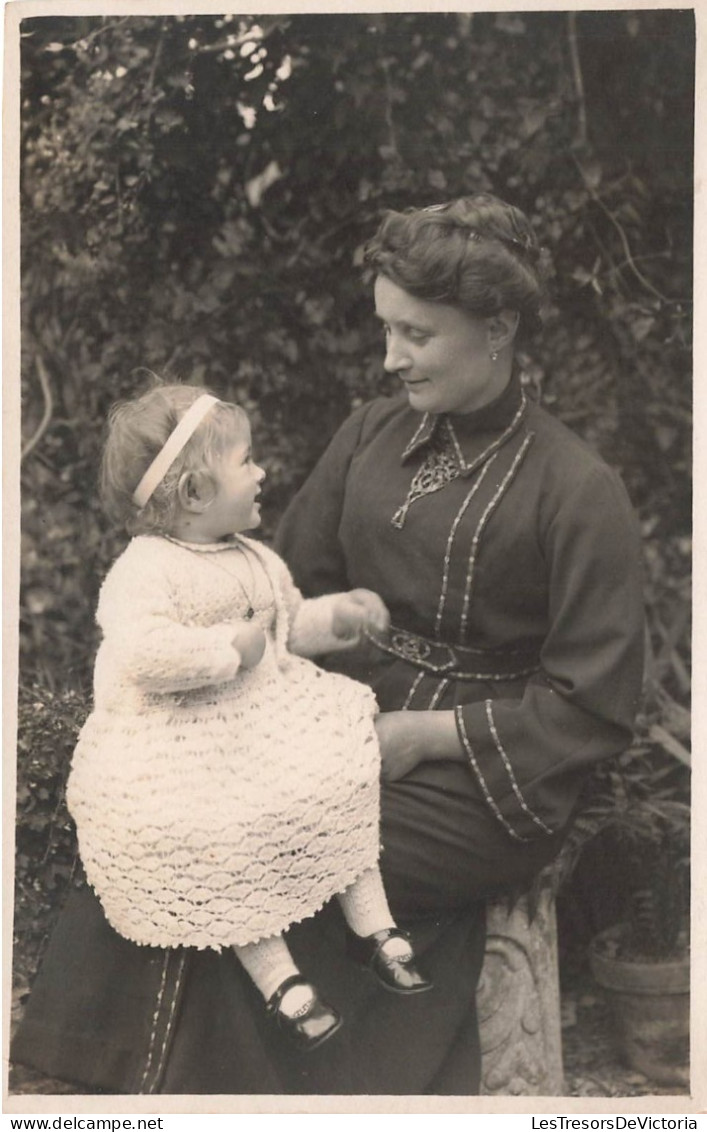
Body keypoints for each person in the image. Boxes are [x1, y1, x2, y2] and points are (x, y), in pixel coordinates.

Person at [12, 193, 645, 1095]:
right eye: (386, 329)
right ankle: (138, 1084)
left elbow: (593, 704)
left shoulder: (576, 489)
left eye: (417, 335)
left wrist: (419, 737)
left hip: (490, 775)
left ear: (498, 327)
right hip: (333, 722)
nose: (391, 358)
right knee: (171, 822)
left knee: (274, 853)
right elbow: (281, 587)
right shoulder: (371, 433)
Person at [64, 381, 433, 1055]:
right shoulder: (145, 570)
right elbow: (142, 653)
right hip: (178, 738)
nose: (262, 472)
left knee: (336, 778)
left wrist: (337, 618)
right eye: (246, 461)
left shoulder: (253, 555)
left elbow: (285, 625)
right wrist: (220, 652)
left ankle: (373, 929)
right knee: (223, 832)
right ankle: (278, 976)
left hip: (262, 717)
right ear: (194, 493)